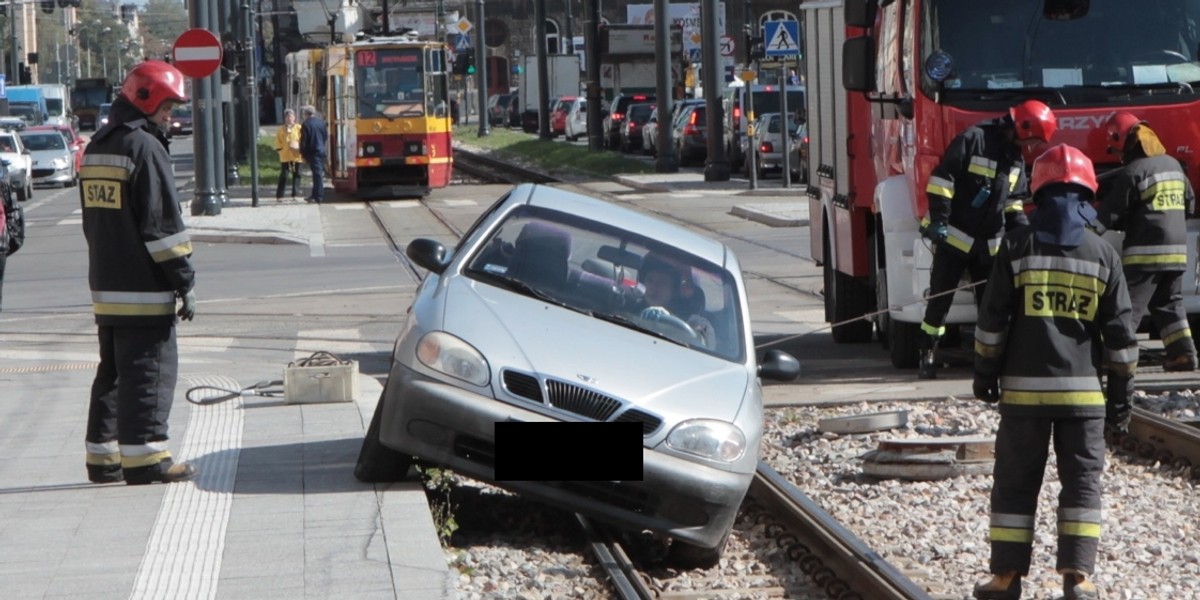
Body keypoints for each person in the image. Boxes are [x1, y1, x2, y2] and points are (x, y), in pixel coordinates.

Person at [971, 144, 1138, 600]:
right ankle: (1078, 579)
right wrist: (1120, 400)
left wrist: (984, 375)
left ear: (1037, 193)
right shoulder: (1103, 255)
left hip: (1024, 400)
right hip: (1084, 403)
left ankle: (1006, 579)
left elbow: (993, 321)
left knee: (1015, 485)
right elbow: (1121, 340)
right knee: (1082, 486)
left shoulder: (1017, 246)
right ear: (1088, 195)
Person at [80, 60, 199, 486]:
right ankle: (147, 458)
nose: (171, 117)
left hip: (106, 285)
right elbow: (162, 227)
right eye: (167, 108)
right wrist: (184, 281)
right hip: (144, 289)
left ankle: (103, 457)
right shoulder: (145, 148)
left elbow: (93, 224)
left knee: (112, 372)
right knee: (150, 369)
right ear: (145, 100)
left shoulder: (97, 146)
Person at [916, 99, 1057, 379]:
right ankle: (928, 353)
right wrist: (940, 222)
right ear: (1023, 127)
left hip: (988, 246)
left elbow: (1013, 205)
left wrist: (1023, 237)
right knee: (939, 302)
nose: (1031, 147)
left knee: (990, 309)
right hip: (954, 237)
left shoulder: (1015, 159)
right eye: (1032, 139)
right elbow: (942, 182)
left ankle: (986, 362)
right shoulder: (973, 139)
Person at [1096, 112, 1197, 371]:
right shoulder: (1174, 165)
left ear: (1125, 142)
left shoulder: (1134, 171)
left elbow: (1110, 213)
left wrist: (1081, 233)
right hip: (1177, 252)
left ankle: (1116, 360)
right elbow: (1190, 203)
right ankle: (1184, 354)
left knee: (1127, 305)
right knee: (1168, 303)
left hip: (1145, 254)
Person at [635, 253, 716, 349]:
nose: (654, 287)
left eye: (662, 282)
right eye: (650, 280)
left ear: (674, 290)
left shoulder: (695, 322)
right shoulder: (628, 307)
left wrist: (669, 319)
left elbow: (707, 345)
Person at [299, 104, 328, 203]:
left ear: (306, 113)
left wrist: (303, 154)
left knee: (317, 174)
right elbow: (325, 136)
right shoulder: (321, 123)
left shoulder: (306, 124)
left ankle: (318, 196)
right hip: (321, 150)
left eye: (304, 113)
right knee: (317, 174)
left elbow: (304, 141)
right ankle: (315, 194)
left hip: (312, 152)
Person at [273, 108, 303, 202]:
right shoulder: (281, 130)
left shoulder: (299, 128)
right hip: (285, 155)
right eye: (287, 117)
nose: (289, 118)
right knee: (284, 175)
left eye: (291, 116)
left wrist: (300, 148)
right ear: (285, 118)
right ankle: (280, 195)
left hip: (296, 155)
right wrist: (280, 149)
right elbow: (278, 142)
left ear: (294, 117)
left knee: (297, 174)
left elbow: (302, 139)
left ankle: (295, 194)